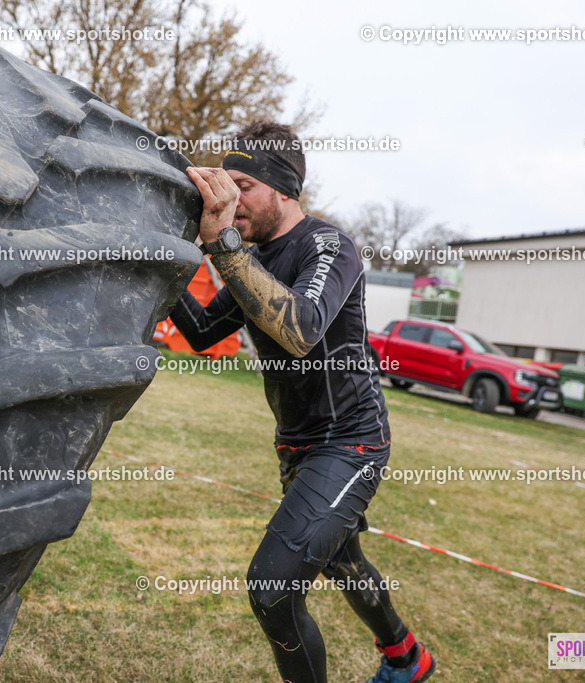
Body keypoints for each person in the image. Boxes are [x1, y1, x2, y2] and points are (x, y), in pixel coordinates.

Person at [171, 120, 435, 683]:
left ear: (284, 189)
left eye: (244, 186)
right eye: (227, 185)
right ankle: (407, 658)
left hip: (351, 442)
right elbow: (200, 332)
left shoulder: (328, 245)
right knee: (343, 560)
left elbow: (302, 327)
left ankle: (405, 659)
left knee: (272, 590)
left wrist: (223, 246)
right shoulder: (257, 259)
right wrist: (164, 257)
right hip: (296, 444)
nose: (232, 199)